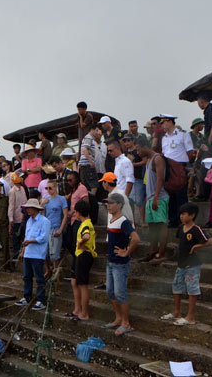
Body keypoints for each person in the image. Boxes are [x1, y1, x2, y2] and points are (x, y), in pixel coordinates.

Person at [160, 202, 212, 326]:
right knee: (176, 287)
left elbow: (211, 242)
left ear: (192, 215)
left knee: (192, 289)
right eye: (180, 214)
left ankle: (191, 316)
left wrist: (196, 246)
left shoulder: (196, 229)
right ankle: (177, 312)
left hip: (192, 265)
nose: (181, 216)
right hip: (181, 264)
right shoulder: (181, 228)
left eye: (184, 214)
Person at [104, 193, 140, 336]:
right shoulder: (112, 219)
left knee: (120, 293)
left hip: (120, 263)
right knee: (110, 291)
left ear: (119, 205)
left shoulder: (124, 221)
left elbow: (136, 238)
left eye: (111, 203)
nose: (108, 205)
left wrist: (127, 252)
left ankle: (126, 322)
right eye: (108, 203)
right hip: (111, 261)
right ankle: (118, 318)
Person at [136, 137, 169, 263]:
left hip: (159, 197)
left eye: (139, 150)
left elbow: (161, 178)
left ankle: (161, 253)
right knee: (152, 226)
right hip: (150, 198)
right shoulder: (149, 160)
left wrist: (155, 197)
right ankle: (153, 251)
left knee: (161, 224)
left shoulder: (158, 158)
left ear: (144, 146)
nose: (138, 153)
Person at [14, 198, 50, 311]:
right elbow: (27, 237)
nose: (27, 210)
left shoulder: (44, 221)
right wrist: (23, 251)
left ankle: (41, 300)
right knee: (26, 277)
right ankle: (27, 296)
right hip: (28, 253)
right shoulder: (29, 221)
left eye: (29, 208)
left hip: (38, 254)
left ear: (35, 209)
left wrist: (30, 242)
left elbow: (43, 238)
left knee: (39, 278)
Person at [161, 114, 194, 228]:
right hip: (169, 168)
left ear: (170, 122)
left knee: (181, 196)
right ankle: (173, 219)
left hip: (179, 167)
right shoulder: (164, 138)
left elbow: (190, 152)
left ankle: (183, 221)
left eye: (164, 122)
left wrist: (182, 165)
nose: (163, 125)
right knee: (171, 196)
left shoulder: (183, 135)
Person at [68, 199, 96, 322]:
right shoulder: (86, 223)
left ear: (78, 212)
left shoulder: (85, 224)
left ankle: (84, 313)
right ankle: (78, 310)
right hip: (80, 255)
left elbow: (86, 236)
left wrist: (81, 242)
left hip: (84, 255)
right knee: (76, 282)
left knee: (83, 285)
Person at [43, 180, 68, 275]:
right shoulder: (45, 199)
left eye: (50, 188)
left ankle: (55, 271)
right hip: (46, 228)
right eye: (47, 188)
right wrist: (42, 203)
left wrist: (61, 229)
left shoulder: (61, 199)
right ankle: (47, 270)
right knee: (44, 253)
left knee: (54, 253)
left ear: (55, 187)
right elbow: (41, 213)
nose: (48, 190)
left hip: (56, 227)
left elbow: (65, 215)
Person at [122, 134, 146, 225]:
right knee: (129, 201)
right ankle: (133, 221)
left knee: (139, 200)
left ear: (133, 141)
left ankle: (143, 221)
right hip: (128, 179)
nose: (127, 143)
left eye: (128, 141)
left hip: (138, 177)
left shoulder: (137, 151)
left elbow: (145, 161)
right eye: (125, 141)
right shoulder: (124, 153)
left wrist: (134, 164)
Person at [8, 173, 28, 259]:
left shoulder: (22, 188)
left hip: (24, 216)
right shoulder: (12, 191)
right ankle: (16, 255)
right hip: (16, 217)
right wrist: (11, 219)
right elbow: (11, 206)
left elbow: (25, 201)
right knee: (16, 237)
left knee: (23, 236)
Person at [78, 125, 102, 195]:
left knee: (85, 184)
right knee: (94, 185)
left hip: (83, 164)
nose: (97, 133)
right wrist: (90, 161)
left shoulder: (86, 138)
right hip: (87, 164)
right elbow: (85, 149)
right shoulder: (89, 137)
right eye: (97, 130)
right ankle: (92, 200)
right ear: (92, 130)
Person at [188, 118, 207, 201]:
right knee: (191, 177)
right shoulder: (189, 136)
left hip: (200, 160)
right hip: (190, 160)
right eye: (201, 124)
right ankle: (190, 193)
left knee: (200, 177)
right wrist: (195, 149)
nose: (203, 126)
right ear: (196, 125)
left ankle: (199, 194)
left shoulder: (202, 136)